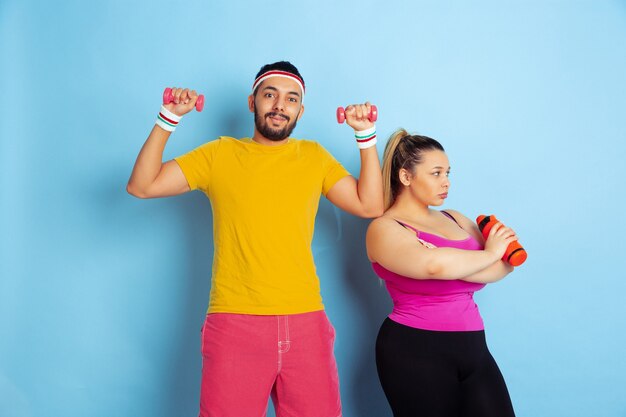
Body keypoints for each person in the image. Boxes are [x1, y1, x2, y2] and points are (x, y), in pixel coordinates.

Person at [127, 61, 383, 417]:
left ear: (300, 110)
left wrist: (365, 136)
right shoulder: (219, 154)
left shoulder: (313, 157)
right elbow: (142, 185)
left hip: (306, 321)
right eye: (270, 95)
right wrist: (168, 117)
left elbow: (370, 204)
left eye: (291, 99)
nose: (280, 105)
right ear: (252, 102)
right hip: (235, 323)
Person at [366, 128, 517, 417]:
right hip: (414, 349)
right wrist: (486, 254)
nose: (445, 182)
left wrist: (459, 262)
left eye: (448, 173)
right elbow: (433, 266)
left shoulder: (455, 218)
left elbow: (502, 267)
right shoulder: (384, 228)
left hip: (474, 347)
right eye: (436, 173)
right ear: (406, 177)